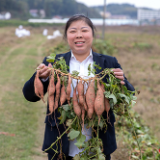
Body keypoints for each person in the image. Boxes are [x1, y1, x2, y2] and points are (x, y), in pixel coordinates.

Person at [22, 14, 135, 160]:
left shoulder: (109, 63)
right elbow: (29, 95)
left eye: (84, 30)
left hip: (98, 146)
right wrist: (41, 78)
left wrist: (123, 83)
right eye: (73, 31)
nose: (79, 35)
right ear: (67, 36)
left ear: (92, 34)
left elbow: (129, 98)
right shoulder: (55, 63)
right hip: (60, 146)